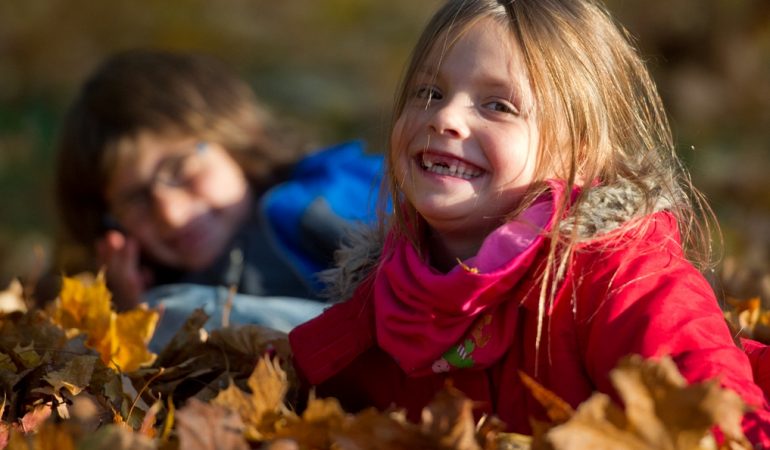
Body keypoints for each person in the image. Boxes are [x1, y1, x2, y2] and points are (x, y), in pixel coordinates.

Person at [288, 0, 770, 445]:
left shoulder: (623, 278)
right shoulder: (387, 301)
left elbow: (721, 424)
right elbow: (296, 386)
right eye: (429, 93)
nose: (446, 117)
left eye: (498, 105)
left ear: (582, 154)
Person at [53, 49, 382, 334]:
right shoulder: (160, 285)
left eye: (179, 169)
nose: (170, 213)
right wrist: (127, 313)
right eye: (135, 199)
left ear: (233, 141)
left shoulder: (313, 203)